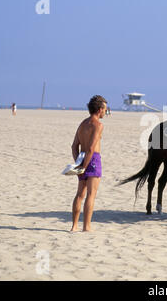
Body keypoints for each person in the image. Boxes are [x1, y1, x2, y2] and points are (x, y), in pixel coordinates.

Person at [70, 95, 107, 232]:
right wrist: (85, 166)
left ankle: (74, 226)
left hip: (81, 158)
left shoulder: (82, 124)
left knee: (79, 194)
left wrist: (78, 163)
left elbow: (74, 146)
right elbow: (91, 148)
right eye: (105, 109)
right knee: (91, 194)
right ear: (99, 109)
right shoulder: (98, 125)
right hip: (93, 160)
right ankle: (87, 226)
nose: (105, 112)